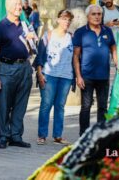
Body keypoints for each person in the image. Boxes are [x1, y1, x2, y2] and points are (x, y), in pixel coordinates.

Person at [0, 0, 35, 149]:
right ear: (8, 6)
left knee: (20, 104)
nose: (19, 7)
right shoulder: (0, 26)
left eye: (20, 4)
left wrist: (31, 39)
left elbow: (32, 49)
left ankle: (16, 136)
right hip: (6, 69)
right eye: (16, 4)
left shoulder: (25, 25)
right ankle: (3, 136)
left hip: (24, 68)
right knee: (4, 105)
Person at [73, 4, 119, 136]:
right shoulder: (81, 32)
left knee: (102, 107)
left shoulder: (107, 31)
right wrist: (78, 76)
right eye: (93, 14)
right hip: (87, 77)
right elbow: (76, 56)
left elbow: (113, 48)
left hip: (103, 77)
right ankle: (84, 135)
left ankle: (101, 135)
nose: (97, 16)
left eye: (99, 14)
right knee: (86, 107)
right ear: (88, 16)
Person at [33, 10, 74, 145]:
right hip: (49, 75)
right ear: (57, 20)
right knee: (46, 105)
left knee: (60, 106)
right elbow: (39, 56)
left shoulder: (72, 37)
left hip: (66, 77)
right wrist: (39, 73)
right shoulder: (48, 35)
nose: (66, 22)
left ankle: (58, 135)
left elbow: (76, 58)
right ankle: (42, 135)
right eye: (64, 18)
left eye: (69, 20)